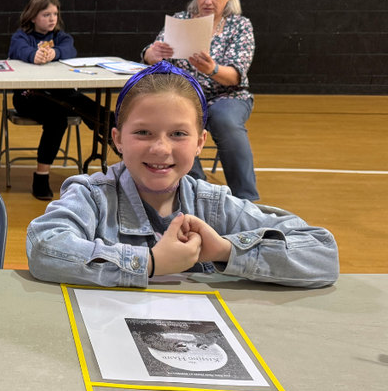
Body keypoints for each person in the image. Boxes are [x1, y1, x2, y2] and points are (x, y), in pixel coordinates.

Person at [26, 62, 339, 289]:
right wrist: (148, 262)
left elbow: (322, 253)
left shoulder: (213, 206)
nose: (161, 149)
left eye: (178, 133)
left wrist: (226, 251)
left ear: (200, 142)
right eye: (143, 132)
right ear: (118, 139)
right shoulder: (93, 196)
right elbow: (43, 246)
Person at [142, 0, 258, 201]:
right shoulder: (182, 20)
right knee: (179, 120)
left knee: (225, 121)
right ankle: (196, 191)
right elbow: (149, 53)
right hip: (186, 95)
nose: (207, 1)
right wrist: (152, 53)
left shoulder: (239, 26)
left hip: (227, 95)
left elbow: (236, 75)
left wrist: (211, 69)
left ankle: (246, 198)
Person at [7, 0, 97, 200]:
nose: (52, 19)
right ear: (33, 16)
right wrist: (34, 55)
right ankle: (41, 176)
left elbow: (69, 49)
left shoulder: (60, 36)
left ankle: (112, 133)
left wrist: (55, 53)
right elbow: (19, 50)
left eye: (55, 14)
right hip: (29, 97)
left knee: (82, 103)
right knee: (61, 117)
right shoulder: (22, 36)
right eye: (46, 14)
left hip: (60, 95)